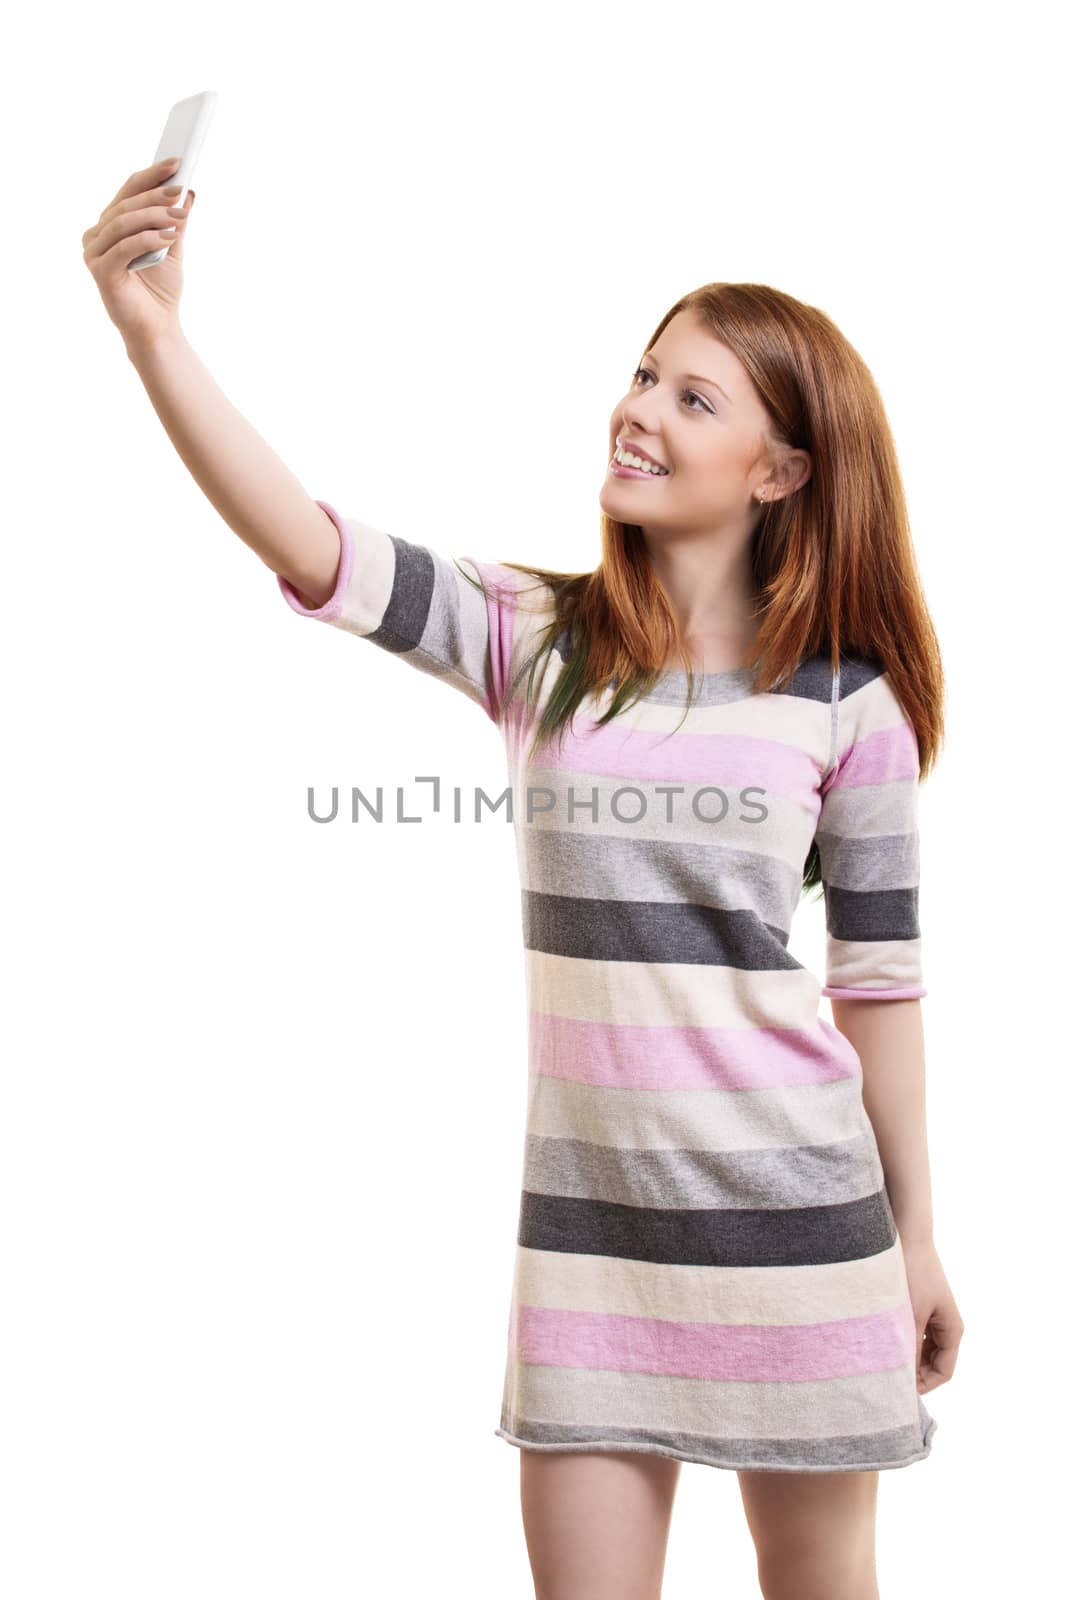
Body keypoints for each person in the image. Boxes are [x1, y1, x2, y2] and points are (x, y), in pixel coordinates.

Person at [84, 160, 965, 1600]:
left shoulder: (848, 706)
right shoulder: (539, 640)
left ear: (781, 471)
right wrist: (153, 333)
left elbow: (881, 992)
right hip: (590, 1255)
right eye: (642, 373)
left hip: (807, 1244)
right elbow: (309, 538)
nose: (638, 408)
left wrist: (917, 1244)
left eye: (695, 397)